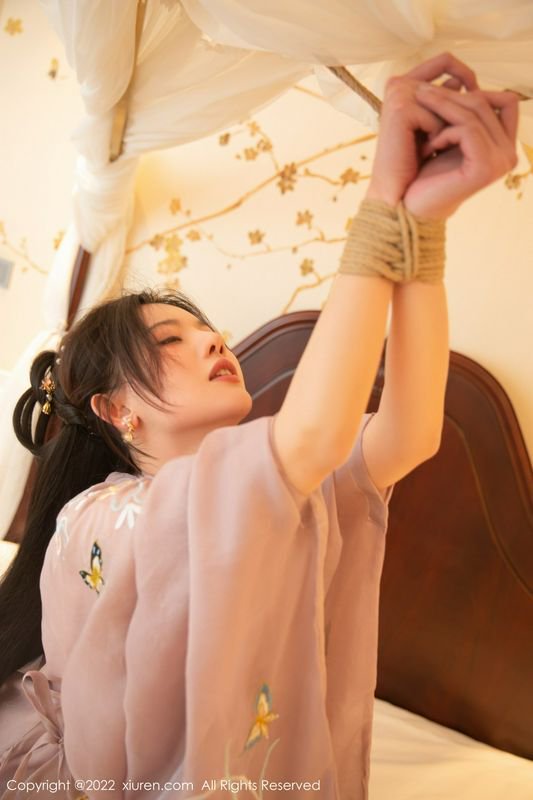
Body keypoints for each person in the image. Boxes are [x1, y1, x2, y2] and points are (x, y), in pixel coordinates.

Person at [0, 53, 518, 800]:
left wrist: (423, 229)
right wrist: (381, 204)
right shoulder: (103, 516)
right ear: (115, 409)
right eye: (170, 340)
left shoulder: (278, 483)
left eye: (205, 329)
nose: (212, 341)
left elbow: (409, 434)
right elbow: (307, 438)